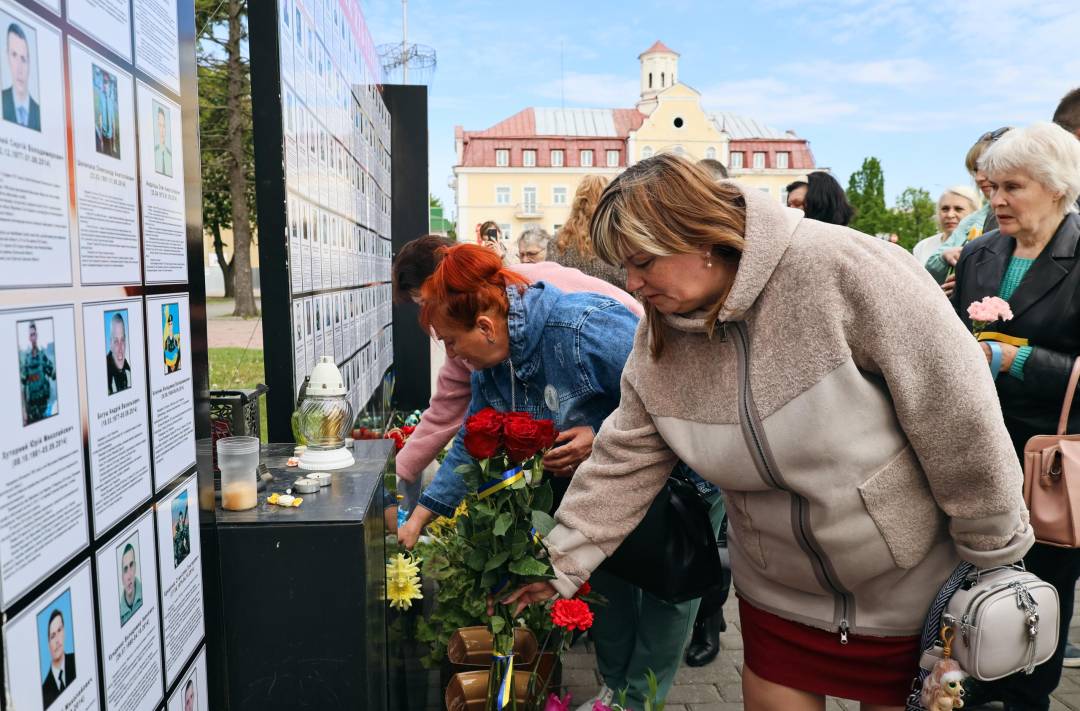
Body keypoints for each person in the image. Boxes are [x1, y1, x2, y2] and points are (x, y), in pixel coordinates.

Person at [502, 154, 1033, 711]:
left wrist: (992, 549)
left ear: (701, 238)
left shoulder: (845, 266)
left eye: (642, 262)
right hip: (776, 593)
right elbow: (624, 456)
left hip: (906, 586)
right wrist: (561, 561)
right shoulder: (659, 334)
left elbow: (954, 411)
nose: (632, 284)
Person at [404, 243, 716, 711]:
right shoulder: (496, 363)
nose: (452, 355)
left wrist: (602, 435)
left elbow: (676, 390)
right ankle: (615, 688)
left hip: (681, 483)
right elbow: (471, 438)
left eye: (450, 342)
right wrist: (422, 515)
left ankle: (639, 701)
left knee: (665, 597)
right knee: (603, 581)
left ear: (486, 326)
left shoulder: (584, 327)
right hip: (603, 494)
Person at [950, 122, 1080, 711]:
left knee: (1046, 581)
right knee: (975, 569)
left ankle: (1031, 693)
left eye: (1013, 187)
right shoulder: (980, 251)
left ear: (1057, 187)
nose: (996, 200)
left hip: (1053, 456)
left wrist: (1016, 358)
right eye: (991, 186)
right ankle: (975, 675)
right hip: (979, 444)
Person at [390, 235, 643, 506]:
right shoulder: (476, 342)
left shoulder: (547, 306)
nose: (428, 317)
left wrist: (600, 433)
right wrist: (400, 479)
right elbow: (454, 416)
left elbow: (644, 379)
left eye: (424, 301)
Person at [925, 127, 1011, 287]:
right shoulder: (972, 221)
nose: (979, 177)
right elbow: (930, 267)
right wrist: (946, 257)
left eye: (986, 166)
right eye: (975, 170)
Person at [551, 175, 626, 288]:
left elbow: (551, 282)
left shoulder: (557, 241)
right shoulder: (616, 240)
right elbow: (629, 282)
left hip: (570, 304)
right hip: (616, 303)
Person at [911, 186, 981, 280]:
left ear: (975, 213)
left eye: (958, 209)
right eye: (945, 209)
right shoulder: (922, 247)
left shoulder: (981, 247)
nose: (950, 215)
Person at [3, 22, 39, 131]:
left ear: (29, 63)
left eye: (23, 58)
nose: (19, 69)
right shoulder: (2, 101)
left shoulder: (38, 112)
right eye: (14, 55)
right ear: (7, 57)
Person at [20, 320, 55, 425]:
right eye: (31, 335)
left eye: (34, 334)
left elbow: (53, 374)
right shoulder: (26, 360)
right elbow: (22, 385)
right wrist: (24, 411)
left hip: (44, 408)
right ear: (29, 338)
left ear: (37, 335)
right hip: (31, 411)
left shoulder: (42, 357)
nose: (33, 337)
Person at [41, 608, 75, 709]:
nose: (57, 640)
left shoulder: (76, 661)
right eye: (52, 636)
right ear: (48, 643)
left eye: (59, 630)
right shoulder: (44, 690)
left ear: (64, 631)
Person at [106, 312, 131, 395]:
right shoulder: (105, 375)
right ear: (110, 344)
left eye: (122, 340)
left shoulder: (127, 369)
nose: (120, 348)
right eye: (116, 341)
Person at [119, 543, 142, 625]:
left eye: (131, 565)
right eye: (125, 569)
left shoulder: (146, 591)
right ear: (122, 578)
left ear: (135, 567)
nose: (129, 575)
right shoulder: (119, 615)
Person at [154, 105, 172, 176]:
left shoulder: (170, 155)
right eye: (160, 125)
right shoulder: (153, 152)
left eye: (164, 126)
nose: (162, 130)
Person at [163, 308, 181, 373]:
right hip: (171, 344)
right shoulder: (172, 361)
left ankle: (169, 321)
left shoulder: (167, 362)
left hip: (170, 344)